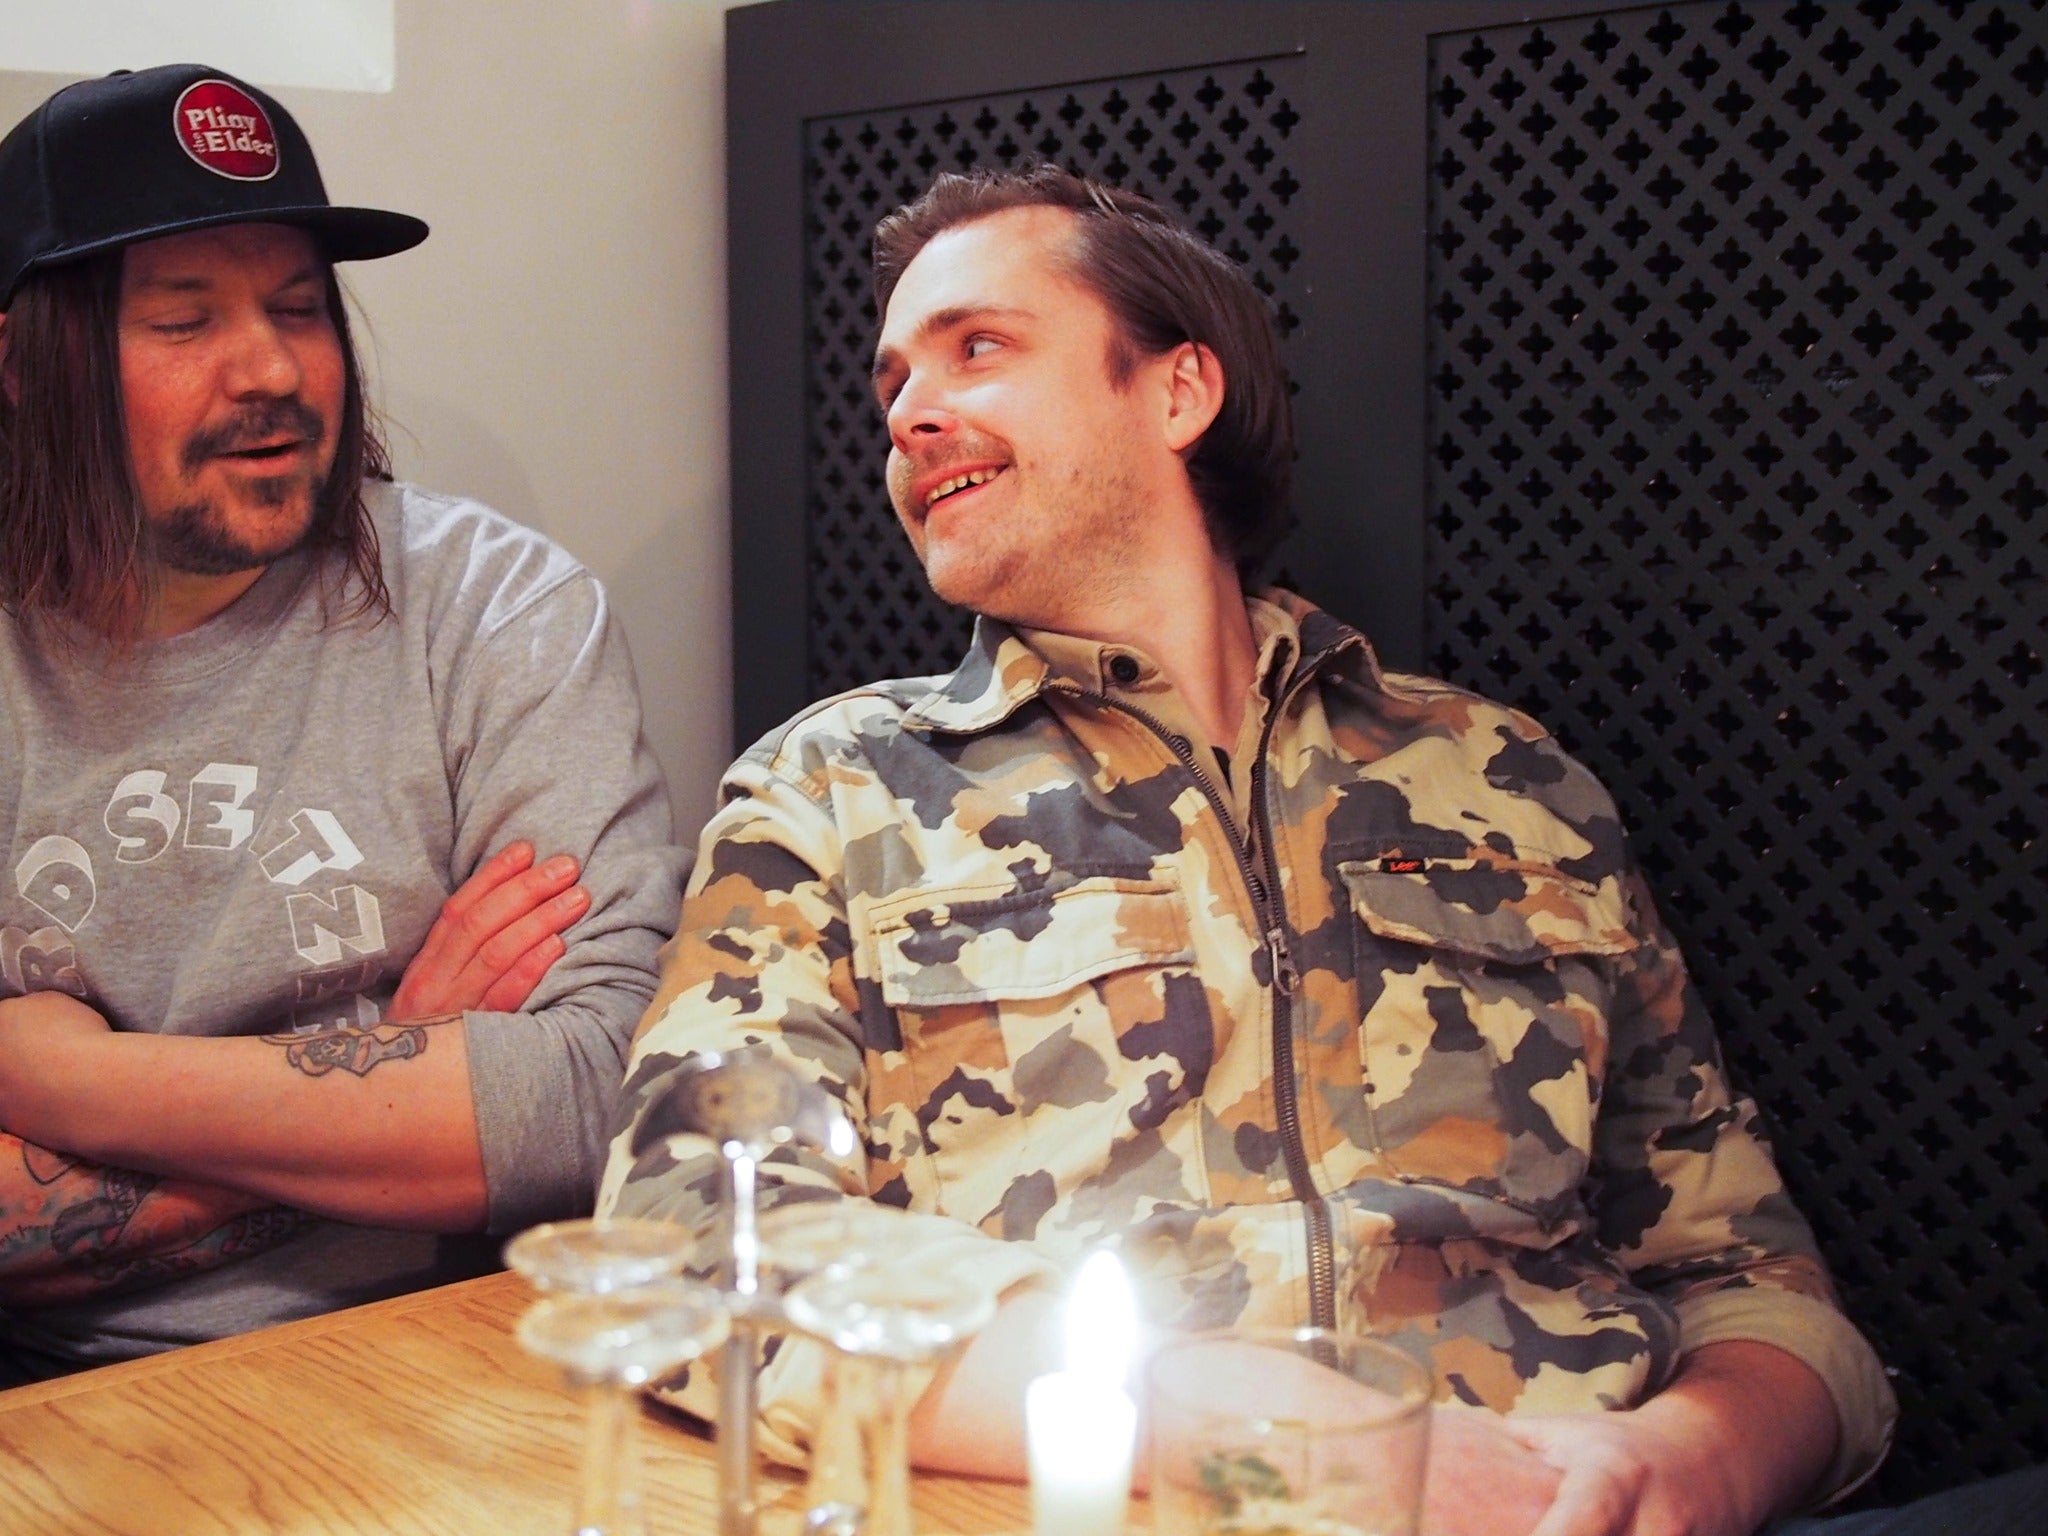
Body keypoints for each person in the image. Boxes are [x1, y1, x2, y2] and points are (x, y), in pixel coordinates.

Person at [599, 165, 2038, 1534]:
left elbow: (1751, 1275)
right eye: (893, 381)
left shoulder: (1507, 779)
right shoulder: (833, 794)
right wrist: (1232, 1418)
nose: (912, 412)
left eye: (978, 348)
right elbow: (692, 1235)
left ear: (1179, 389)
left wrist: (1698, 1459)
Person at [0, 63, 685, 1379]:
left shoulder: (497, 610)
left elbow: (602, 1097)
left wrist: (64, 1085)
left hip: (438, 1353)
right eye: (184, 320)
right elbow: (511, 1109)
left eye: (300, 307)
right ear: (25, 370)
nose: (269, 368)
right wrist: (390, 1067)